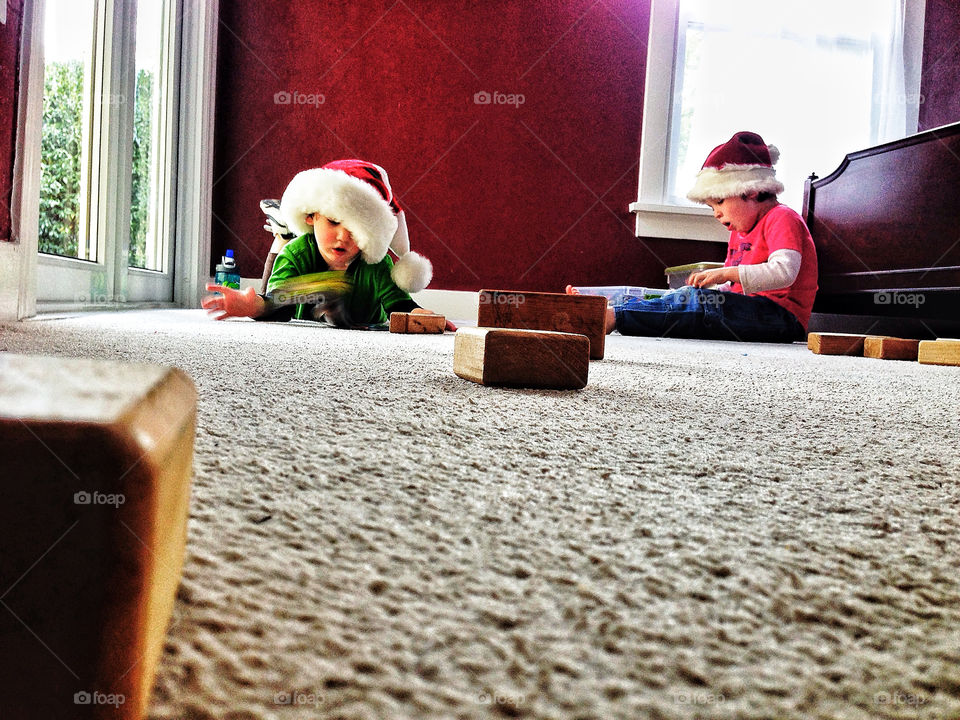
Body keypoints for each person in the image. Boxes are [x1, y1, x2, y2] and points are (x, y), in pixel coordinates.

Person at [568, 131, 817, 343]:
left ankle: (615, 317)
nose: (717, 213)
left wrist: (723, 274)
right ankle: (607, 308)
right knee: (689, 298)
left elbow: (785, 273)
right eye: (712, 207)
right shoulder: (739, 231)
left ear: (751, 190)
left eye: (720, 201)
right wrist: (713, 285)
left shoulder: (783, 218)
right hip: (748, 310)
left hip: (781, 318)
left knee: (702, 305)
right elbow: (733, 288)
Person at [203, 159, 455, 330]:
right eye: (334, 222)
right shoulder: (298, 254)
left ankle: (281, 236)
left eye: (356, 231)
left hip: (361, 327)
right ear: (311, 216)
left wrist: (420, 316)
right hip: (307, 319)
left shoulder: (376, 264)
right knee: (279, 278)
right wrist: (252, 306)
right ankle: (281, 237)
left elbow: (398, 306)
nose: (343, 237)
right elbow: (277, 302)